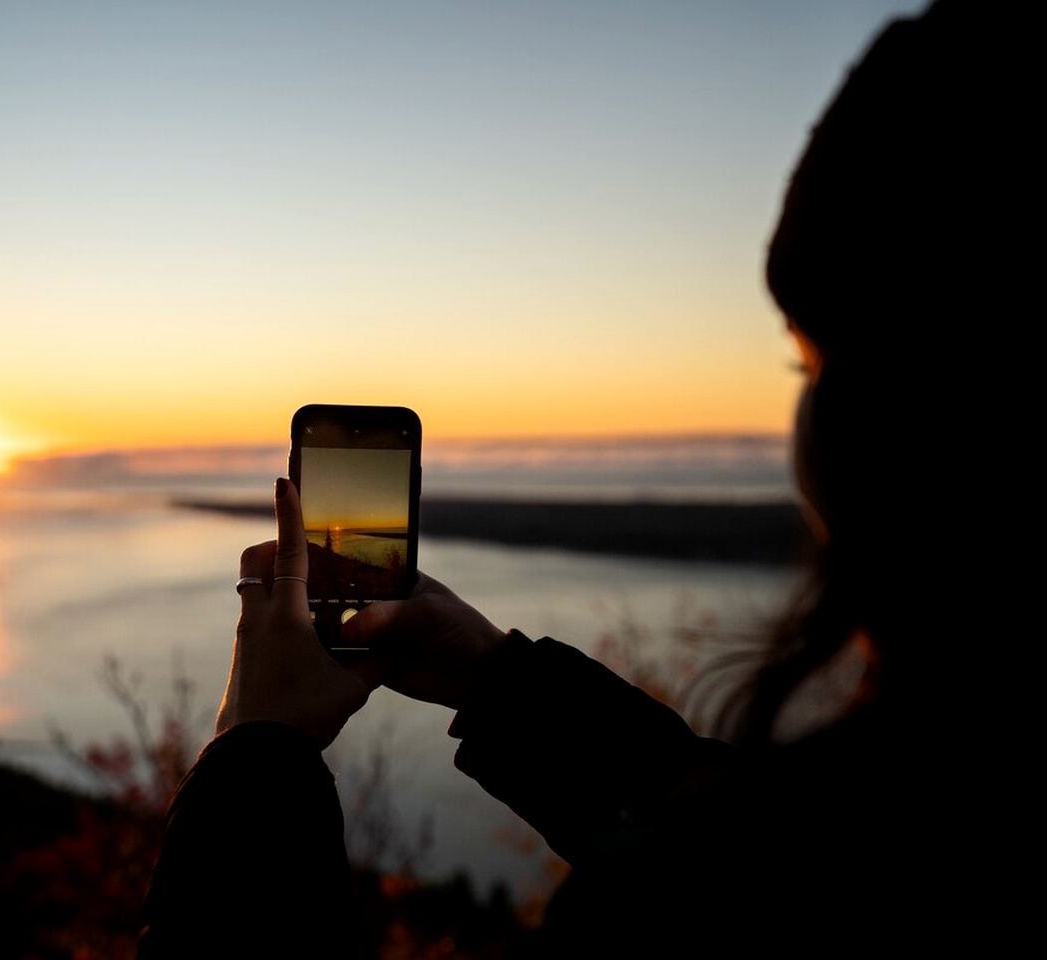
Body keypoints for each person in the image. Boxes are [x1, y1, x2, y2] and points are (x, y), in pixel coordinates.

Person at [138, 2, 1032, 955]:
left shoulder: (684, 903)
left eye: (809, 364)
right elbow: (742, 854)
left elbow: (730, 876)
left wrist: (253, 758)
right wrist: (496, 681)